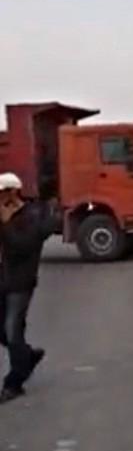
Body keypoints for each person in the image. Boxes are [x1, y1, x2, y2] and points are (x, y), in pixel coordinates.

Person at [0, 173, 54, 403]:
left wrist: (5, 223)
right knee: (5, 331)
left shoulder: (33, 215)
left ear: (14, 192)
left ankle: (14, 383)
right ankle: (27, 356)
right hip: (2, 280)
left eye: (3, 192)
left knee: (13, 331)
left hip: (20, 283)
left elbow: (23, 246)